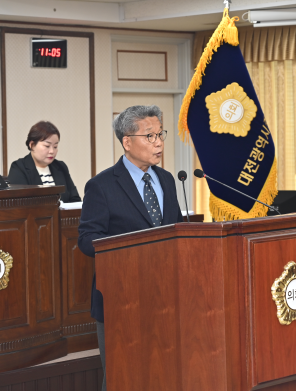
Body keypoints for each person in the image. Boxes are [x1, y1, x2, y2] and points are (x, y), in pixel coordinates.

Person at [78, 105, 184, 391]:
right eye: (150, 136)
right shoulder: (101, 186)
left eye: (160, 134)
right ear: (127, 141)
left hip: (167, 294)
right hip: (121, 297)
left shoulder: (166, 180)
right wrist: (127, 251)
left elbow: (176, 230)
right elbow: (87, 239)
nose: (159, 143)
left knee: (163, 371)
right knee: (121, 376)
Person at [8, 121, 80, 203]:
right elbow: (19, 202)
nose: (52, 151)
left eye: (55, 146)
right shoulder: (19, 167)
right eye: (47, 146)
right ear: (32, 145)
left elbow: (75, 200)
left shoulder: (61, 167)